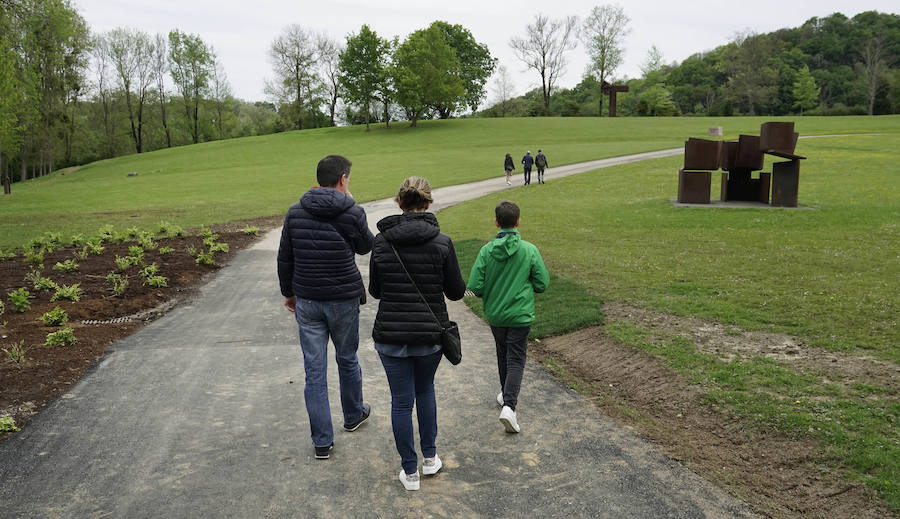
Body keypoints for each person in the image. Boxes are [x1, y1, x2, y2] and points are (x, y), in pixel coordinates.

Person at [368, 177, 466, 491]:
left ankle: (410, 472)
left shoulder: (382, 242)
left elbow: (376, 291)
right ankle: (430, 458)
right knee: (424, 392)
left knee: (400, 401)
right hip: (429, 334)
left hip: (391, 335)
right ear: (428, 203)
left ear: (400, 203)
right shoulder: (442, 241)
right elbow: (455, 292)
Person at [277, 154, 375, 460]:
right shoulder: (352, 211)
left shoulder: (295, 212)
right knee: (347, 358)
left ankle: (322, 440)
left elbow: (285, 257)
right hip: (343, 298)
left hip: (307, 298)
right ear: (343, 179)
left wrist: (289, 293)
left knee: (314, 370)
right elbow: (366, 246)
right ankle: (353, 414)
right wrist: (353, 208)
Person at [466, 200, 549, 434]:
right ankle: (510, 406)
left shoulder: (486, 251)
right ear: (518, 221)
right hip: (520, 314)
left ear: (496, 222)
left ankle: (506, 396)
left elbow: (474, 286)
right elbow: (542, 284)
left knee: (503, 355)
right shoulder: (529, 250)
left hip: (496, 314)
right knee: (515, 359)